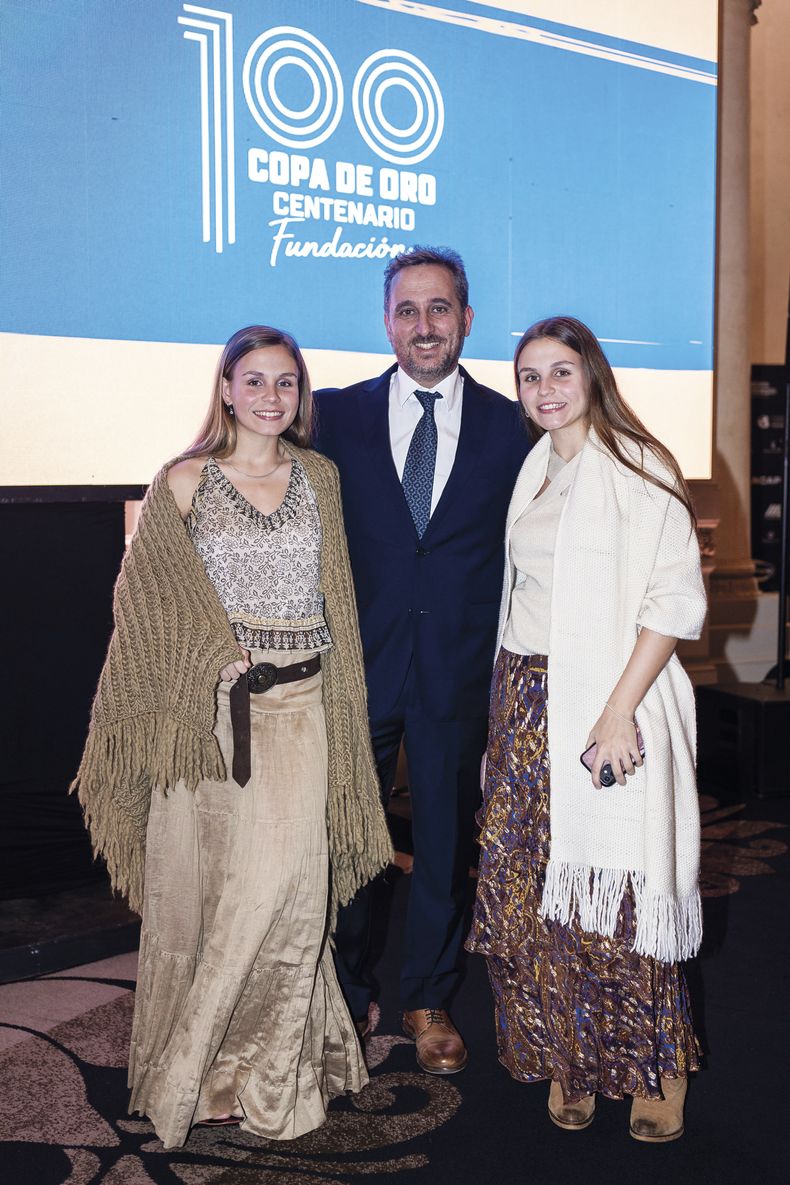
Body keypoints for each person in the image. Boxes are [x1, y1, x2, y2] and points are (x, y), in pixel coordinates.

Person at [72, 325, 392, 1149]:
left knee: (286, 892)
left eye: (286, 383)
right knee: (205, 894)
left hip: (306, 710)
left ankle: (265, 1069)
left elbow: (337, 600)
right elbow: (138, 600)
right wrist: (208, 654)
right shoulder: (183, 480)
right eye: (254, 381)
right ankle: (209, 1074)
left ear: (301, 393)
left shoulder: (319, 477)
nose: (270, 397)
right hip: (209, 724)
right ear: (225, 388)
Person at [467, 315, 706, 1142]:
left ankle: (652, 1069)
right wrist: (502, 724)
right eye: (529, 376)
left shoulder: (640, 467)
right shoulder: (536, 467)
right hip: (526, 697)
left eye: (560, 372)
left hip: (608, 704)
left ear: (593, 374)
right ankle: (573, 1055)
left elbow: (672, 603)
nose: (544, 390)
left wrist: (617, 710)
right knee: (538, 889)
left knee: (623, 888)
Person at [314, 246, 530, 1074]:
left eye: (440, 309)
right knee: (352, 841)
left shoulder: (515, 427)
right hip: (357, 665)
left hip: (457, 669)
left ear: (466, 319)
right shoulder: (334, 416)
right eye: (408, 310)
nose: (424, 325)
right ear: (387, 322)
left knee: (444, 840)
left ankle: (428, 995)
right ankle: (342, 987)